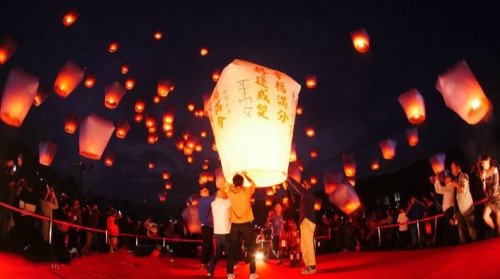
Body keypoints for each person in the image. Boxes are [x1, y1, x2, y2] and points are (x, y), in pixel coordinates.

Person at [226, 172, 258, 279]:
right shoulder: (246, 191)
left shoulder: (230, 193)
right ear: (242, 182)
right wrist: (246, 175)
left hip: (234, 224)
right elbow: (253, 184)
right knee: (251, 248)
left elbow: (227, 185)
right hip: (246, 223)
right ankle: (252, 274)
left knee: (232, 248)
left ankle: (230, 273)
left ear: (234, 183)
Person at [287, 177, 317, 275]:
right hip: (304, 222)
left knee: (308, 244)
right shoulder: (305, 196)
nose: (302, 188)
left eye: (303, 186)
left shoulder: (308, 194)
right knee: (304, 245)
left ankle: (312, 266)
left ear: (307, 186)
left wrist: (288, 178)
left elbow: (297, 186)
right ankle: (308, 265)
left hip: (308, 221)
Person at [207, 190, 234, 278]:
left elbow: (216, 197)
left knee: (216, 254)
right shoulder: (226, 203)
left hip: (217, 233)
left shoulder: (213, 204)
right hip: (226, 232)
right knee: (230, 254)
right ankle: (230, 273)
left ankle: (210, 271)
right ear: (223, 195)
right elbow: (232, 198)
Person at [451, 160, 477, 243]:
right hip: (458, 209)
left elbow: (462, 189)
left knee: (471, 231)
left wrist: (456, 185)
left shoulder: (464, 176)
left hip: (466, 207)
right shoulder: (455, 179)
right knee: (461, 233)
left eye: (453, 167)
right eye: (451, 168)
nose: (452, 169)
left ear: (458, 167)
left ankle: (477, 249)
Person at [432, 171, 458, 245]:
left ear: (450, 178)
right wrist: (435, 181)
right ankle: (453, 243)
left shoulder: (451, 186)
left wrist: (437, 180)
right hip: (447, 210)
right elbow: (438, 190)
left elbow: (440, 189)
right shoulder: (448, 186)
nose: (444, 178)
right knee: (449, 228)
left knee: (452, 227)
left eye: (446, 177)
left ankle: (455, 243)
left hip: (450, 209)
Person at [480, 153, 500, 236]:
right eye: (481, 163)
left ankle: (497, 233)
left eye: (483, 163)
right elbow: (484, 190)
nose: (482, 165)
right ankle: (493, 229)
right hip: (490, 199)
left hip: (498, 197)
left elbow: (495, 184)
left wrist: (484, 176)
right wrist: (483, 180)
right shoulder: (482, 173)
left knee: (499, 221)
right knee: (485, 216)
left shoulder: (494, 169)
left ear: (488, 161)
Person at [198, 187, 215, 271]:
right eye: (204, 191)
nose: (207, 191)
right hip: (206, 225)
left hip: (210, 225)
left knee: (210, 245)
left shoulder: (206, 200)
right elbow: (213, 197)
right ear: (201, 193)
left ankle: (208, 262)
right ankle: (203, 263)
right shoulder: (202, 200)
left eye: (207, 190)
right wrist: (220, 190)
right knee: (206, 244)